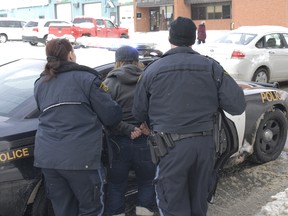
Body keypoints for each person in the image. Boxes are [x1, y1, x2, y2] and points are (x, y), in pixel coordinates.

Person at [132, 16, 246, 216]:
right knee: (198, 205)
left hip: (169, 148)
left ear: (170, 38)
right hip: (204, 147)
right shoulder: (212, 67)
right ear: (194, 39)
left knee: (173, 205)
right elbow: (237, 105)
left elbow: (138, 112)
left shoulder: (152, 70)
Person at [34, 38, 122, 216]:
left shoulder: (40, 83)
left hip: (48, 159)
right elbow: (111, 116)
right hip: (82, 160)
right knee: (91, 209)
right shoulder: (87, 79)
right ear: (70, 55)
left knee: (63, 210)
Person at [103, 45, 156, 216]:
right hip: (146, 142)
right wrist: (148, 125)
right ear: (137, 61)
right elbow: (158, 107)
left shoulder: (109, 83)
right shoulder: (149, 79)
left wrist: (125, 129)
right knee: (147, 182)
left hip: (118, 144)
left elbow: (105, 116)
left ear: (117, 61)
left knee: (117, 185)